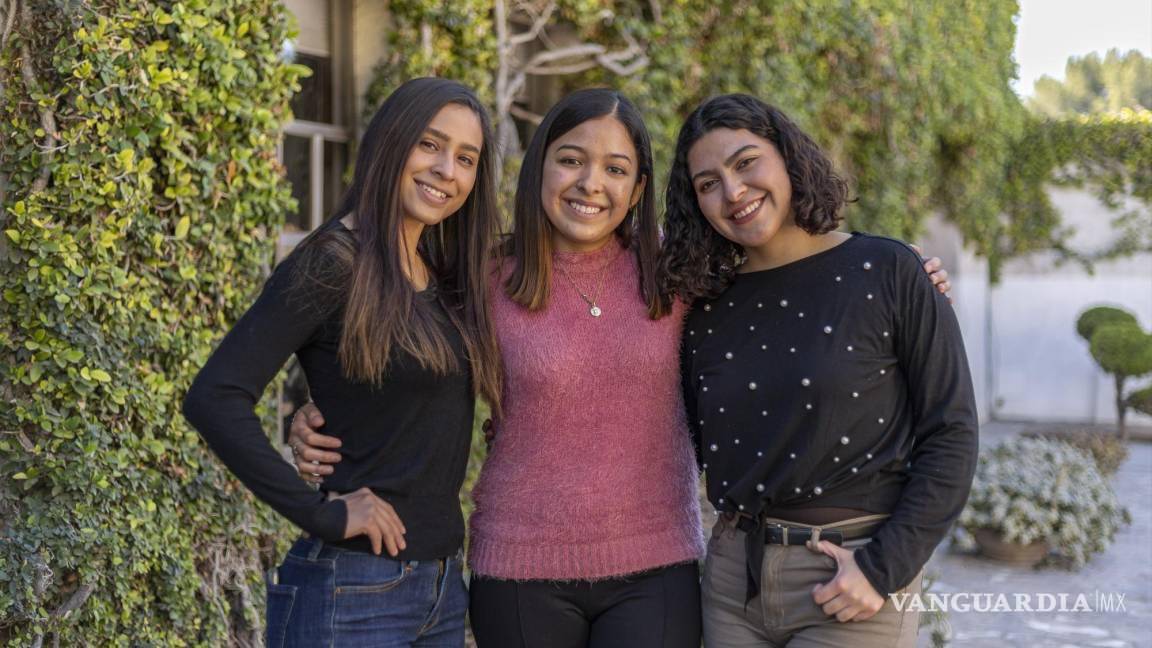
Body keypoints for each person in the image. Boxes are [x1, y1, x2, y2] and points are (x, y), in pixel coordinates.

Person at [287, 88, 954, 648]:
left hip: (656, 566)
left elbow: (789, 302)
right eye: (571, 161)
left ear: (638, 188)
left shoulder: (681, 275)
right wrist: (308, 410)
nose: (590, 184)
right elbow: (388, 342)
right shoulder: (483, 275)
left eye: (614, 169)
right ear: (539, 169)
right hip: (519, 566)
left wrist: (910, 277)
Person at [182, 77, 503, 647]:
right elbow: (215, 396)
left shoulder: (437, 268)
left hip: (442, 590)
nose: (446, 170)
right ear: (390, 142)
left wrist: (306, 416)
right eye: (429, 145)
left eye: (466, 158)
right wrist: (322, 514)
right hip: (352, 592)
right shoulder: (333, 261)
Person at [661, 93, 978, 647]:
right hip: (735, 581)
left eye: (745, 163)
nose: (733, 192)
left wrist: (884, 568)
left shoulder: (888, 270)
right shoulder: (704, 311)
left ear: (787, 156)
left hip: (851, 574)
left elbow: (951, 434)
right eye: (708, 183)